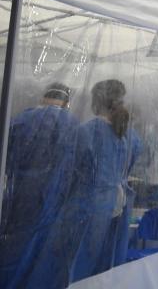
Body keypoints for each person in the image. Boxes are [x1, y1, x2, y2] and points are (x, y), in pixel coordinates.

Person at [0, 83, 78, 288]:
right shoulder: (71, 123)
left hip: (20, 193)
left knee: (14, 248)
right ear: (67, 102)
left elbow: (6, 159)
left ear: (43, 98)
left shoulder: (21, 119)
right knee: (43, 252)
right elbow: (73, 167)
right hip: (52, 196)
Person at [67, 79, 142, 282]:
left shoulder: (86, 132)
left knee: (84, 265)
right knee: (112, 265)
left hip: (92, 206)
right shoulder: (130, 135)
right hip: (121, 204)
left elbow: (74, 171)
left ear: (95, 101)